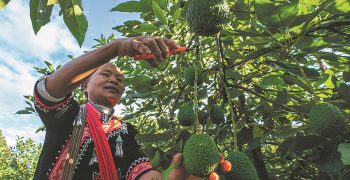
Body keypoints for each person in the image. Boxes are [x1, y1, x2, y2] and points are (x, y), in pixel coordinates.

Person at [32, 36, 201, 180]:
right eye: (105, 74)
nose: (113, 80)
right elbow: (48, 90)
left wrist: (174, 174)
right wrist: (115, 48)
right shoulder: (68, 115)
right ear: (84, 86)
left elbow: (141, 171)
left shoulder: (127, 131)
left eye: (120, 80)